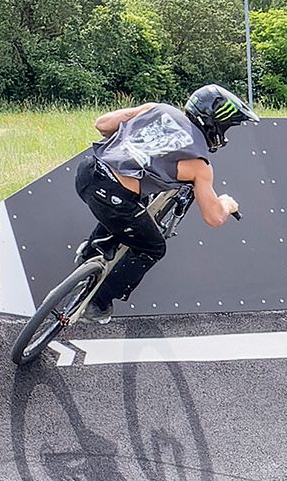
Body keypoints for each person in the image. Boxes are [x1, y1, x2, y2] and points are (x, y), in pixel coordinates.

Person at [75, 84, 252, 321]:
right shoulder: (199, 165)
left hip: (87, 173)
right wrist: (227, 204)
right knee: (152, 247)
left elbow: (102, 125)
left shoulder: (157, 109)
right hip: (113, 200)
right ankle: (99, 302)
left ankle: (92, 249)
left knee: (134, 205)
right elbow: (213, 217)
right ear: (215, 124)